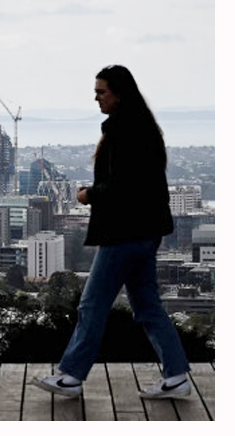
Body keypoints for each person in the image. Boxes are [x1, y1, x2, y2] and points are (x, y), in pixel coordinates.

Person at [32, 65, 191, 399]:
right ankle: (176, 375)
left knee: (92, 304)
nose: (96, 98)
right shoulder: (144, 129)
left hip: (124, 233)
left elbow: (122, 186)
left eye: (101, 91)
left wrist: (89, 195)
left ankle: (72, 376)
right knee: (147, 306)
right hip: (146, 232)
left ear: (120, 94)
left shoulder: (124, 131)